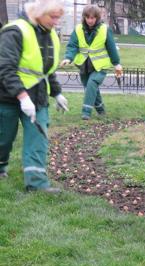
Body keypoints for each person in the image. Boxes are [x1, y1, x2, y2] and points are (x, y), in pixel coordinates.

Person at [0, 0, 68, 192]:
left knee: (38, 138)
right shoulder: (14, 31)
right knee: (3, 138)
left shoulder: (50, 34)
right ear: (38, 12)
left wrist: (57, 93)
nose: (56, 22)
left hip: (38, 98)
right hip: (6, 97)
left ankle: (37, 183)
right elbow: (5, 69)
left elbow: (46, 70)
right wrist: (22, 97)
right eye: (52, 17)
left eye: (58, 17)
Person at [61, 4, 122, 120]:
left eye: (93, 18)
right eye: (87, 17)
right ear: (84, 17)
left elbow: (111, 48)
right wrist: (68, 58)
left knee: (91, 84)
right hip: (84, 65)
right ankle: (101, 110)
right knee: (91, 88)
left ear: (97, 18)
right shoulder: (78, 29)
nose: (90, 20)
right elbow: (72, 46)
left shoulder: (105, 29)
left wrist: (117, 64)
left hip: (101, 66)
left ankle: (86, 112)